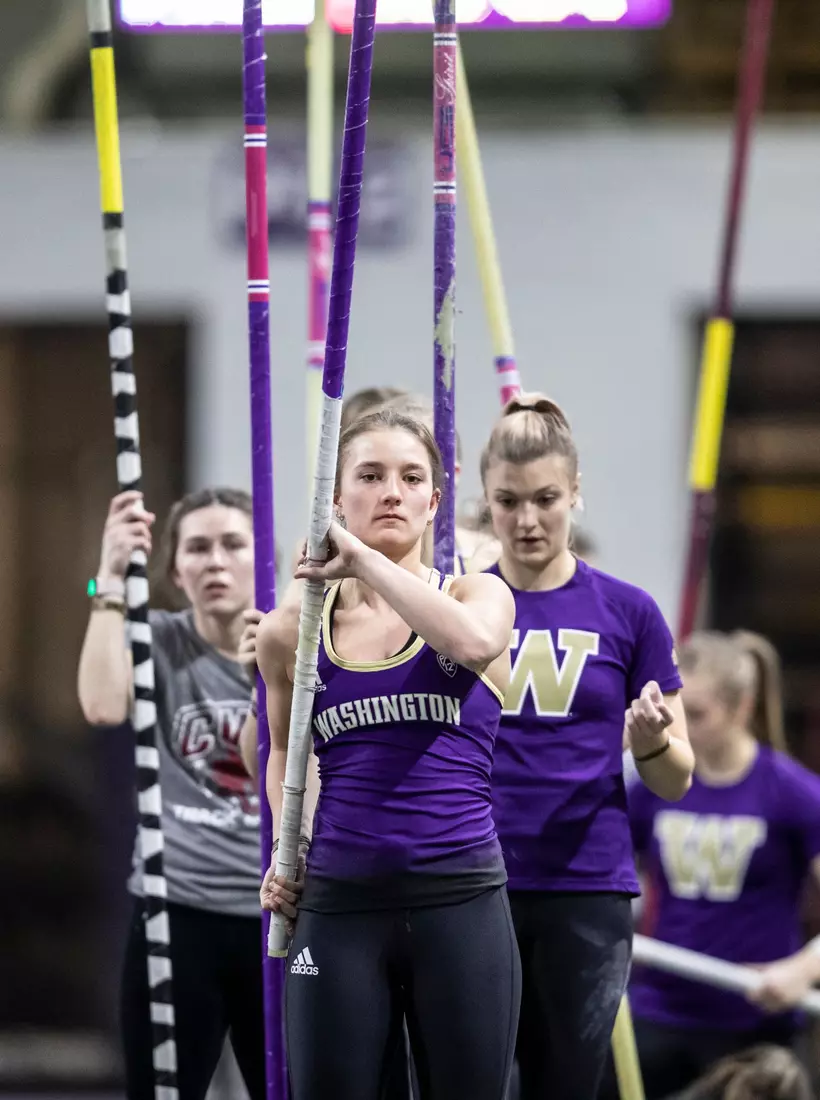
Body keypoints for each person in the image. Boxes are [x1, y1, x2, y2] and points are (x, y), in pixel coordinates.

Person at [256, 406, 521, 1100]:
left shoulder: (478, 592)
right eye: (369, 476)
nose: (391, 492)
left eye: (410, 478)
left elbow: (470, 644)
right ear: (335, 498)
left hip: (459, 900)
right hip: (341, 905)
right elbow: (285, 750)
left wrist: (365, 561)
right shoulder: (292, 631)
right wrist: (293, 849)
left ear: (435, 501)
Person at [480, 392, 694, 1100]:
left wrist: (650, 745)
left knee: (567, 1085)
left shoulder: (629, 612)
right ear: (486, 501)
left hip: (586, 886)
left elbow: (675, 782)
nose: (528, 519)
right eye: (507, 501)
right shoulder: (455, 607)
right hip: (471, 882)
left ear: (577, 492)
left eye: (546, 497)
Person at [77, 487, 265, 1100]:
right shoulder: (156, 639)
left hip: (278, 916)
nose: (216, 562)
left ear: (261, 554)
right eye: (198, 548)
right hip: (176, 909)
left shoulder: (293, 642)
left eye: (233, 544)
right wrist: (105, 576)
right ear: (176, 569)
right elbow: (103, 705)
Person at [622, 630, 820, 1100]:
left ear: (742, 708)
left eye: (698, 715)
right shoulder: (653, 787)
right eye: (674, 711)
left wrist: (801, 970)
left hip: (751, 1022)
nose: (679, 728)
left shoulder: (792, 793)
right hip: (659, 1010)